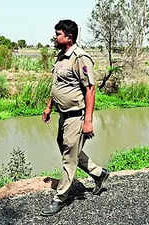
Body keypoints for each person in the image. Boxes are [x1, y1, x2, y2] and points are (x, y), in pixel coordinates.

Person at [41, 19, 110, 216]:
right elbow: (57, 86)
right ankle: (99, 174)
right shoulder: (61, 56)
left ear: (69, 37)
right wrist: (48, 107)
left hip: (76, 117)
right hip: (63, 115)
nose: (55, 37)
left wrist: (88, 121)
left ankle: (60, 198)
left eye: (58, 34)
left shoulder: (81, 58)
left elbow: (90, 89)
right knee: (69, 150)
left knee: (68, 158)